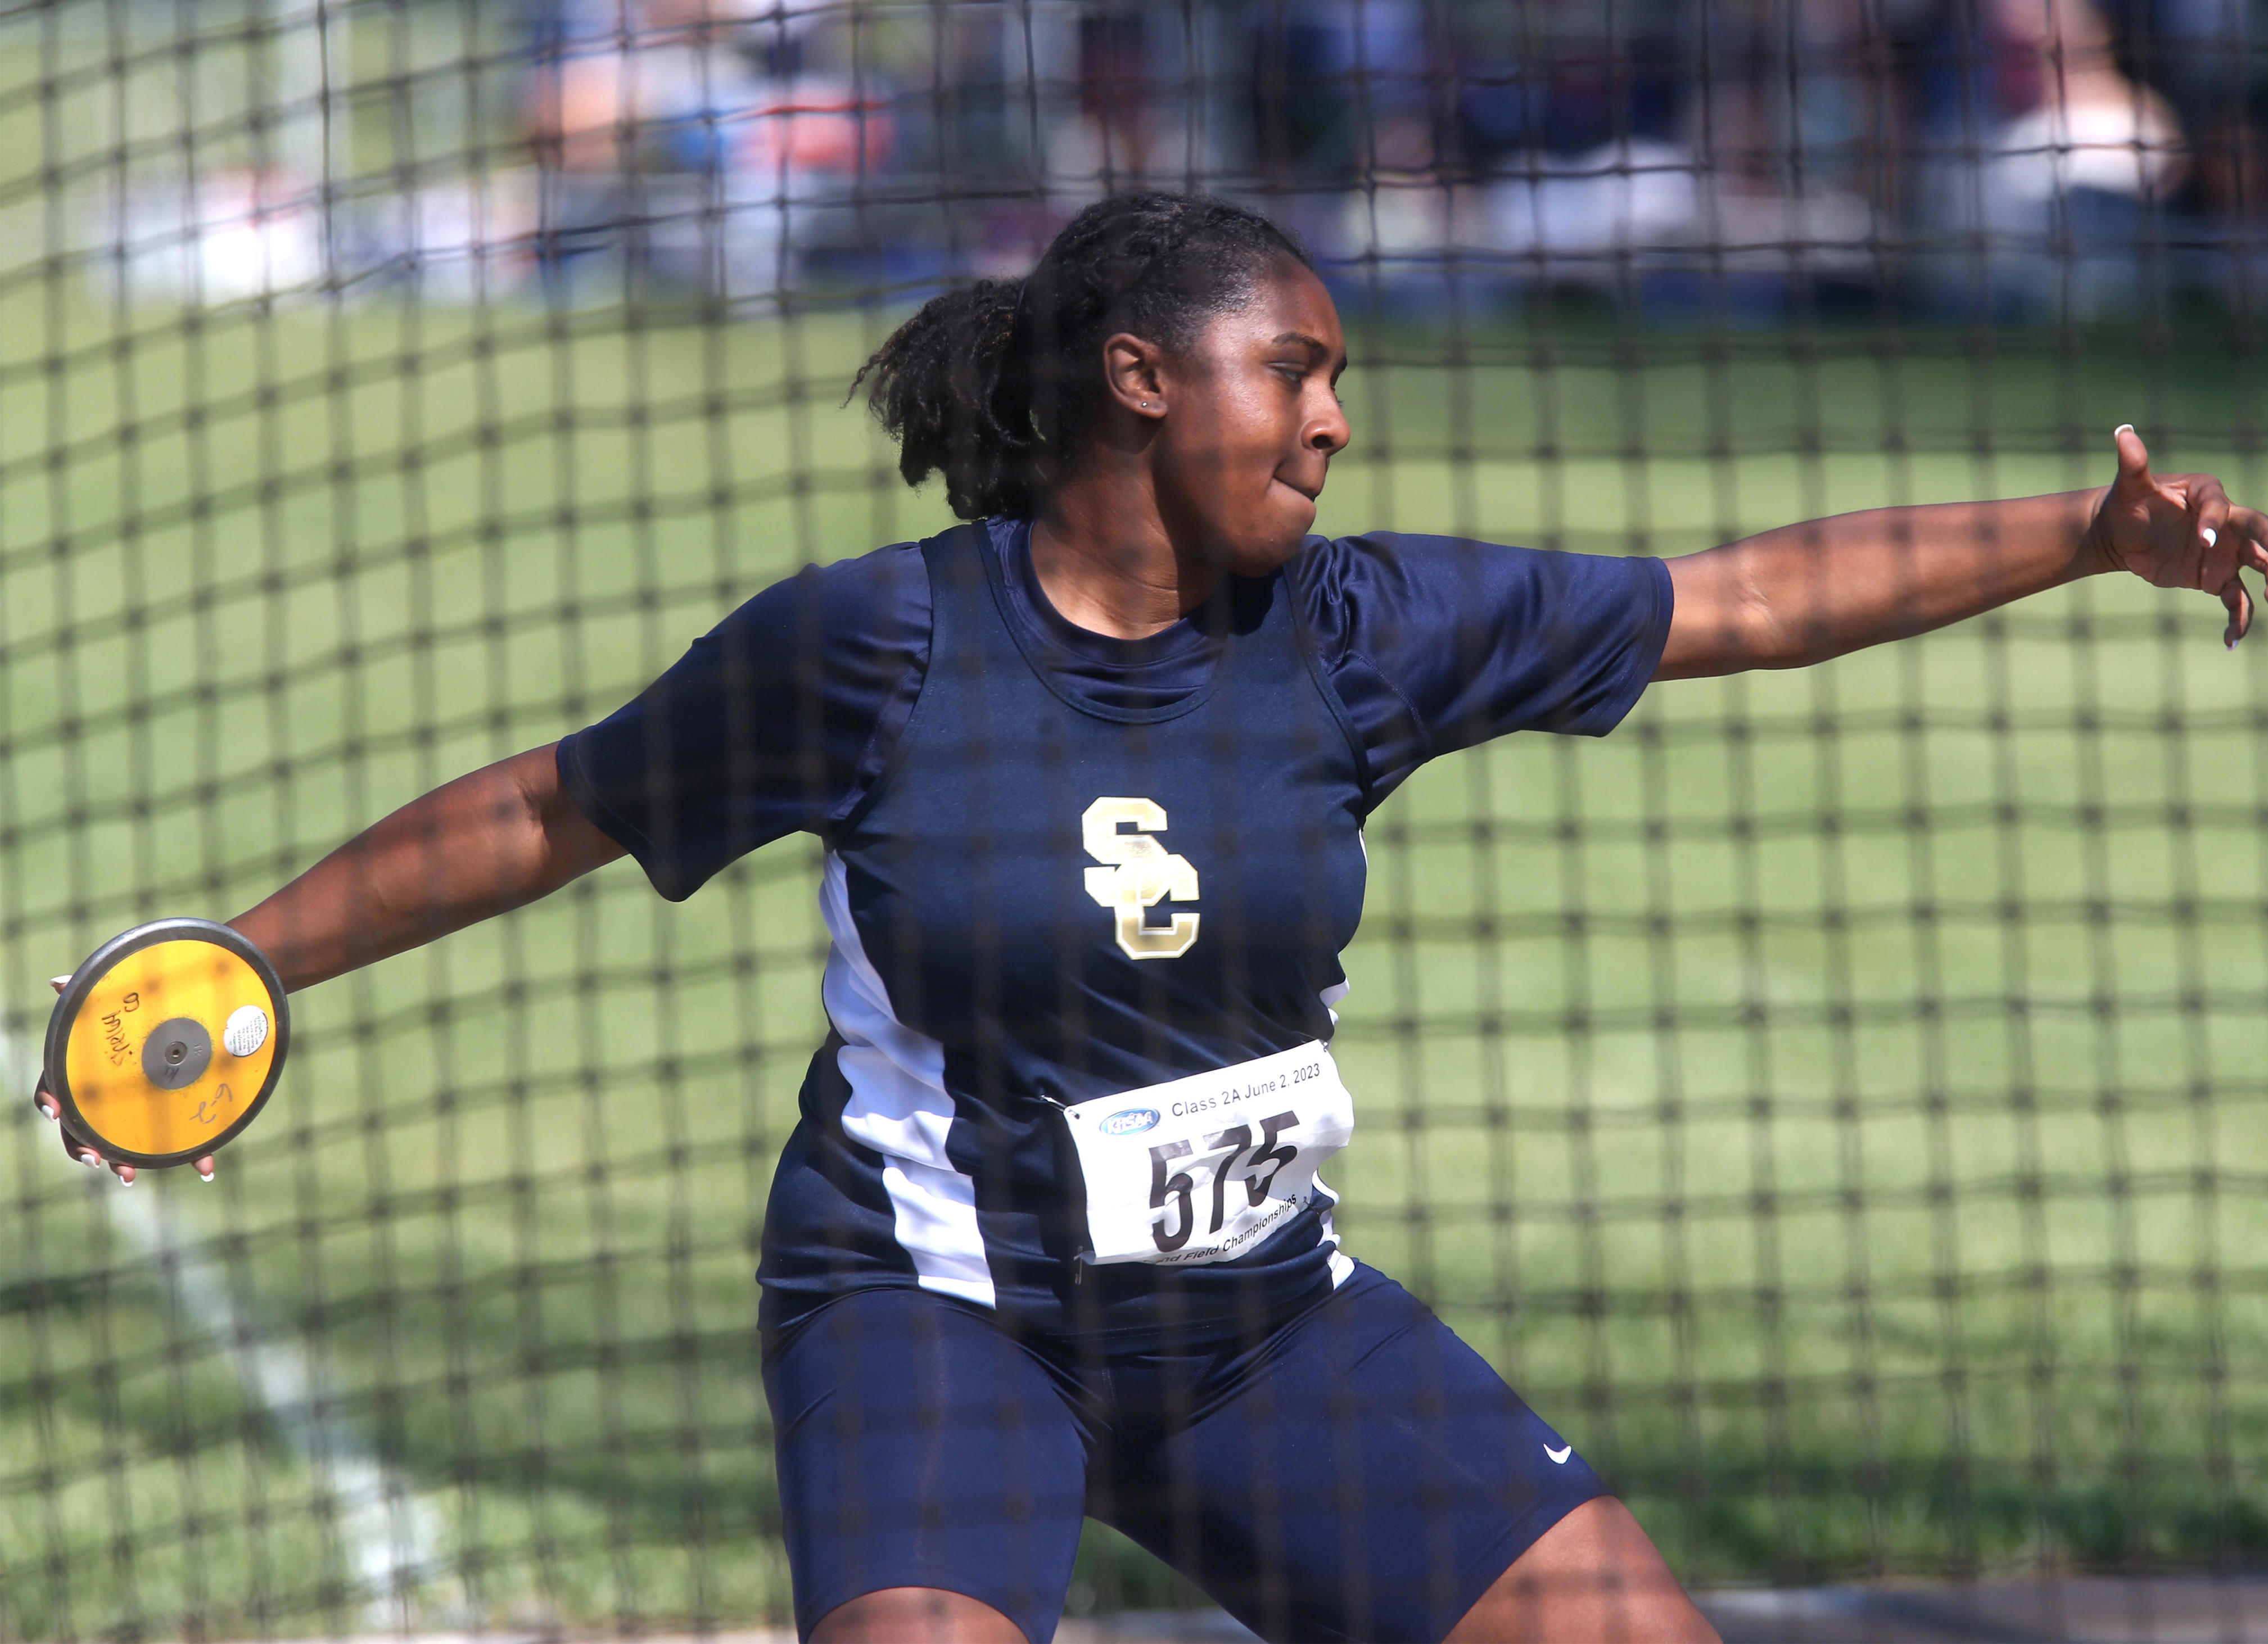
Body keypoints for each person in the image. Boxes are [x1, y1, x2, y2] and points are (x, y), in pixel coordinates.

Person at [37, 192, 2267, 1642]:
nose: (1331, 421)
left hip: (1257, 1322)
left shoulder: (1365, 631)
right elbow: (554, 807)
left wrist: (2078, 538)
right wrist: (230, 967)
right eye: (1294, 370)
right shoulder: (874, 650)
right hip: (938, 1326)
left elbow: (1758, 598)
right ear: (1140, 381)